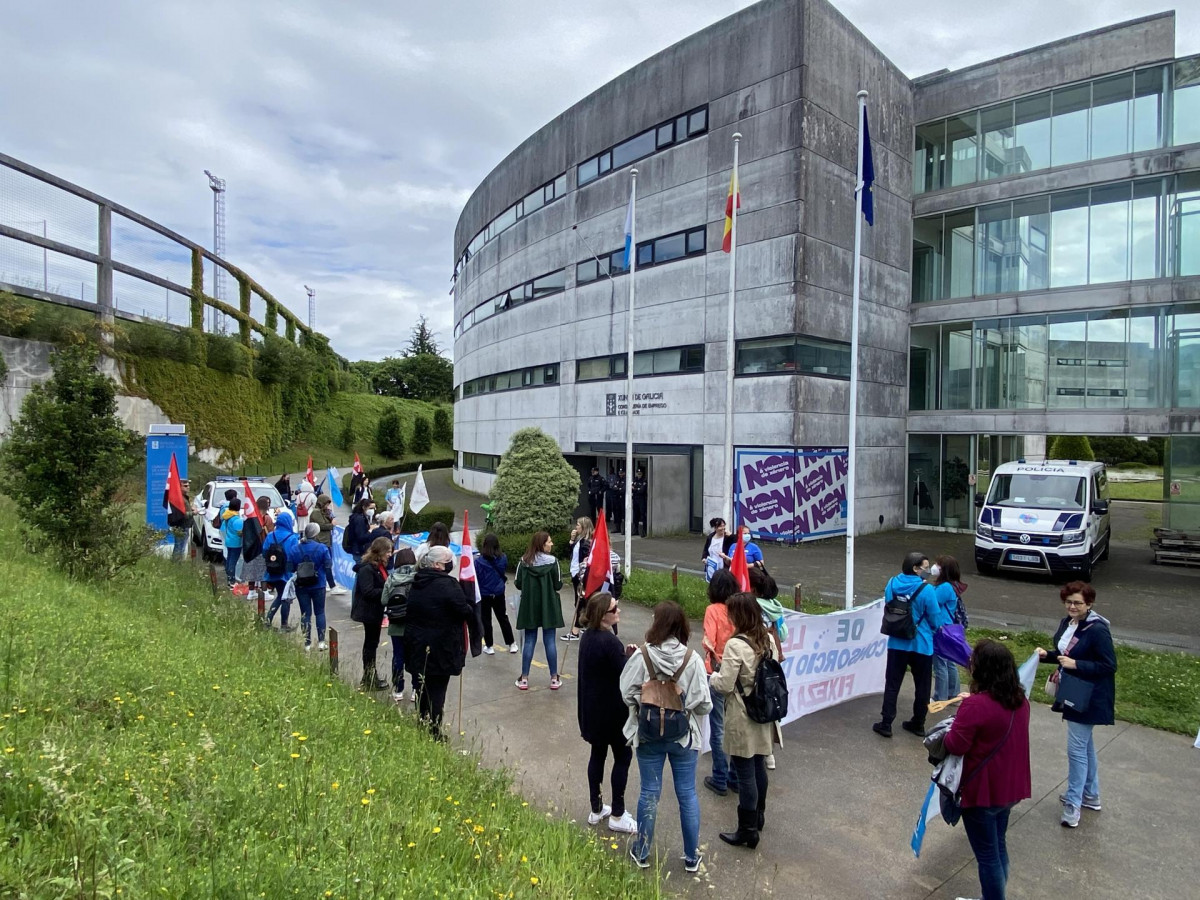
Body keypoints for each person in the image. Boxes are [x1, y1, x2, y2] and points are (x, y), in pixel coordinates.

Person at [619, 601, 712, 873]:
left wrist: (645, 698)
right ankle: (691, 856)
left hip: (648, 735)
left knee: (649, 792)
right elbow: (705, 704)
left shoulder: (642, 656)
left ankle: (642, 851)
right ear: (681, 625)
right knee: (687, 794)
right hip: (683, 737)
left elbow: (625, 693)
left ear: (656, 623)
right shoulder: (692, 659)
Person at [943, 639, 1032, 900]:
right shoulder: (1020, 701)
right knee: (998, 846)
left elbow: (955, 744)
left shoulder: (975, 707)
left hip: (982, 792)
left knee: (987, 857)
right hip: (1011, 788)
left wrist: (961, 714)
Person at [1036, 582, 1117, 829]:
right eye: (1069, 602)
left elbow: (1109, 665)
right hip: (1075, 692)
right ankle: (1091, 796)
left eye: (1078, 603)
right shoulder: (1067, 623)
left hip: (1090, 697)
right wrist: (1047, 656)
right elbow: (1064, 653)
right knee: (1085, 747)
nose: (1072, 606)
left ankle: (1073, 805)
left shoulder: (1098, 630)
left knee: (1076, 751)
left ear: (1089, 604)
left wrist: (1076, 665)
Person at [711, 592, 783, 849]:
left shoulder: (735, 645)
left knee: (744, 772)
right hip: (764, 713)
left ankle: (747, 829)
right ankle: (759, 817)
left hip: (742, 715)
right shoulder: (768, 640)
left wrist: (712, 675)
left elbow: (724, 684)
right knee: (759, 766)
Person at [872, 551, 950, 738]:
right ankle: (918, 723)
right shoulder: (927, 590)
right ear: (915, 568)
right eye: (924, 567)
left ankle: (886, 723)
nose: (928, 570)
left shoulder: (891, 583)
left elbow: (888, 604)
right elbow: (935, 618)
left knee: (892, 684)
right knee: (922, 686)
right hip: (922, 645)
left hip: (897, 643)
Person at [577, 592, 637, 834]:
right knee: (623, 757)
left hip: (591, 710)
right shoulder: (610, 642)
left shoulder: (587, 637)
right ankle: (618, 814)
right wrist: (631, 658)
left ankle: (596, 807)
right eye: (615, 609)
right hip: (613, 713)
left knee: (597, 755)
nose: (618, 611)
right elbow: (625, 674)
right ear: (604, 615)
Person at [404, 545, 479, 738]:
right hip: (441, 646)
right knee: (437, 690)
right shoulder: (448, 585)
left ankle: (422, 720)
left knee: (422, 685)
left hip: (417, 644)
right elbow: (463, 610)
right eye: (447, 561)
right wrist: (470, 605)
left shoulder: (417, 582)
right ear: (437, 564)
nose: (450, 564)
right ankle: (435, 730)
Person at [702, 570, 740, 796]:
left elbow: (709, 641)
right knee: (735, 725)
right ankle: (735, 775)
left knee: (717, 727)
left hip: (715, 672)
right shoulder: (739, 609)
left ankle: (719, 777)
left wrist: (711, 653)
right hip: (737, 672)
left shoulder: (712, 610)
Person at [514, 532, 564, 691]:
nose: (552, 544)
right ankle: (554, 678)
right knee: (550, 640)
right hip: (548, 605)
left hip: (529, 606)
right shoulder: (553, 562)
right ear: (542, 545)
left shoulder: (524, 562)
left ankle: (524, 678)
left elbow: (518, 583)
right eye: (549, 542)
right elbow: (558, 585)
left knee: (529, 640)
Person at [351, 537, 392, 691]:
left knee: (372, 644)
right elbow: (368, 591)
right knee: (370, 644)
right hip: (368, 611)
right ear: (380, 551)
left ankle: (370, 675)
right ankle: (369, 677)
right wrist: (387, 592)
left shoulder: (378, 566)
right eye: (387, 551)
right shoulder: (367, 569)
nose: (390, 554)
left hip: (375, 611)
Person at [289, 523, 334, 651]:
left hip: (301, 585)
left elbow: (290, 567)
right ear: (316, 534)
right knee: (320, 612)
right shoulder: (322, 548)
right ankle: (321, 642)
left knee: (305, 614)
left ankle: (307, 644)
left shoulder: (295, 549)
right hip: (318, 584)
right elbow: (328, 566)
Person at [930, 555, 969, 701]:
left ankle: (940, 697)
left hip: (940, 629)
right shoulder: (952, 586)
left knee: (940, 664)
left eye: (938, 565)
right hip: (948, 629)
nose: (935, 567)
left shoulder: (945, 587)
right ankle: (953, 692)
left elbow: (931, 602)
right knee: (949, 662)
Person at [476, 533, 517, 655]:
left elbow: (477, 578)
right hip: (499, 593)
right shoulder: (503, 558)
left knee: (486, 620)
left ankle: (489, 646)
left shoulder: (479, 562)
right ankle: (512, 644)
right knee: (503, 618)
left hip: (485, 594)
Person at [386, 548, 418, 702]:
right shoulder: (418, 577)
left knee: (398, 656)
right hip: (414, 624)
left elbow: (383, 600)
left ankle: (398, 689)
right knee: (415, 657)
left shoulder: (391, 578)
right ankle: (416, 689)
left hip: (395, 625)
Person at [263, 510, 300, 630]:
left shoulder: (270, 535)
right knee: (285, 597)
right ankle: (283, 624)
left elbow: (264, 552)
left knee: (280, 595)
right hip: (287, 572)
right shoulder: (292, 537)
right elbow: (294, 554)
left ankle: (268, 621)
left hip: (272, 570)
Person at [566, 517, 594, 640]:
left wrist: (580, 575)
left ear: (583, 527)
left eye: (578, 525)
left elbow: (584, 560)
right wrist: (572, 540)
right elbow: (572, 554)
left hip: (580, 575)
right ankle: (585, 624)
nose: (575, 527)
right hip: (575, 572)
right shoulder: (580, 539)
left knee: (580, 601)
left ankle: (575, 630)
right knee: (582, 601)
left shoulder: (586, 542)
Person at [240, 496, 271, 601]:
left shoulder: (250, 518)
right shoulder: (263, 518)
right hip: (260, 547)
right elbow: (267, 533)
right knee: (263, 571)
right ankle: (265, 592)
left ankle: (251, 591)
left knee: (252, 570)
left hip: (250, 548)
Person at [164, 477, 191, 561]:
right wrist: (193, 512)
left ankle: (178, 562)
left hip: (184, 525)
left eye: (188, 485)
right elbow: (181, 514)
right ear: (179, 487)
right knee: (179, 546)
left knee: (181, 546)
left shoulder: (184, 497)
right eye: (185, 486)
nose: (188, 487)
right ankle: (176, 563)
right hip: (181, 525)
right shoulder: (179, 499)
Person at [219, 497, 244, 588]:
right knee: (233, 562)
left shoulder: (228, 515)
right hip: (236, 543)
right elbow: (240, 532)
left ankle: (229, 578)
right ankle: (232, 581)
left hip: (229, 541)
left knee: (229, 560)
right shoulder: (237, 519)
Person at [344, 498, 375, 564]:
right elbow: (361, 537)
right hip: (359, 550)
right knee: (361, 571)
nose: (373, 510)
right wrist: (370, 530)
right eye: (371, 508)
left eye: (374, 508)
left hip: (358, 549)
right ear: (364, 507)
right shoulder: (359, 519)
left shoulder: (363, 517)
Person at [700, 517, 730, 582]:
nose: (723, 528)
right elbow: (706, 549)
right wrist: (704, 558)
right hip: (712, 566)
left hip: (724, 566)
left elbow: (736, 544)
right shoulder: (710, 537)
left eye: (723, 526)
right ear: (715, 528)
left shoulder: (728, 537)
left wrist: (732, 536)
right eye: (720, 526)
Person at [606, 468, 625, 534]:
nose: (620, 474)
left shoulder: (625, 480)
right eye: (620, 473)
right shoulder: (617, 479)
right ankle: (617, 528)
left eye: (622, 473)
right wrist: (617, 488)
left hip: (622, 499)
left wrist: (618, 489)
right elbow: (613, 487)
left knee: (623, 515)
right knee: (616, 514)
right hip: (616, 499)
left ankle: (625, 529)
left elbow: (623, 489)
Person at [631, 467, 648, 537]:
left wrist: (635, 489)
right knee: (635, 515)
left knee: (643, 515)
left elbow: (642, 490)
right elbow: (631, 488)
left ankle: (644, 531)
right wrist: (636, 489)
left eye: (640, 474)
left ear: (642, 474)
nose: (639, 475)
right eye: (638, 473)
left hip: (641, 500)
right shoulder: (635, 480)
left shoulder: (644, 480)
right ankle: (636, 530)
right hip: (635, 499)